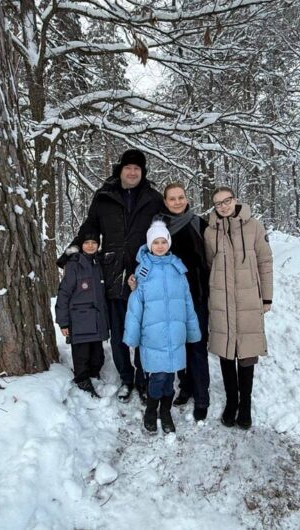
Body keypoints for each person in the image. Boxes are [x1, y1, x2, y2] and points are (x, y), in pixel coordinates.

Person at [65, 148, 164, 402]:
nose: (132, 172)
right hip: (112, 273)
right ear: (120, 170)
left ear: (143, 173)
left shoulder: (153, 198)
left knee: (144, 331)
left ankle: (143, 379)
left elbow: (163, 233)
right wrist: (72, 253)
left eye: (137, 169)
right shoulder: (104, 196)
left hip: (143, 275)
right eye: (128, 168)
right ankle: (126, 379)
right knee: (119, 331)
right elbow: (90, 227)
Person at [204, 186, 273, 429]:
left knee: (246, 353)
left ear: (235, 200)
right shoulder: (210, 232)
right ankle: (231, 401)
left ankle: (245, 404)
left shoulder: (254, 226)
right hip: (222, 299)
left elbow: (265, 261)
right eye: (218, 203)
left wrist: (266, 298)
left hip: (248, 299)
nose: (223, 206)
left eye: (227, 201)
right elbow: (210, 263)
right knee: (226, 351)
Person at [123, 221, 201, 433]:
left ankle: (165, 412)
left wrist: (192, 330)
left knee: (170, 378)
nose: (159, 246)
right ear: (149, 245)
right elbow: (136, 304)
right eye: (155, 242)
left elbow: (187, 301)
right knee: (157, 377)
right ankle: (151, 410)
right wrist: (132, 336)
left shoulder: (177, 268)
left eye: (163, 241)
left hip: (175, 335)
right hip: (153, 336)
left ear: (168, 242)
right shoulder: (143, 271)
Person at [153, 183, 211, 421]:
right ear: (165, 202)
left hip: (196, 296)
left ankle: (202, 396)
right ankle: (185, 387)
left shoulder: (199, 224)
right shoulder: (159, 228)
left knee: (197, 346)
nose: (177, 202)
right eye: (172, 199)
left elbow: (214, 256)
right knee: (179, 345)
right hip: (171, 298)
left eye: (181, 197)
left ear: (187, 199)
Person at [55, 234, 108, 398]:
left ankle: (94, 374)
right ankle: (82, 380)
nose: (91, 246)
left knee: (97, 355)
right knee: (82, 354)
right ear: (80, 245)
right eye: (87, 242)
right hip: (80, 321)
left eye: (94, 242)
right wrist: (63, 323)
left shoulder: (99, 263)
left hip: (97, 320)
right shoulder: (73, 265)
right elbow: (64, 294)